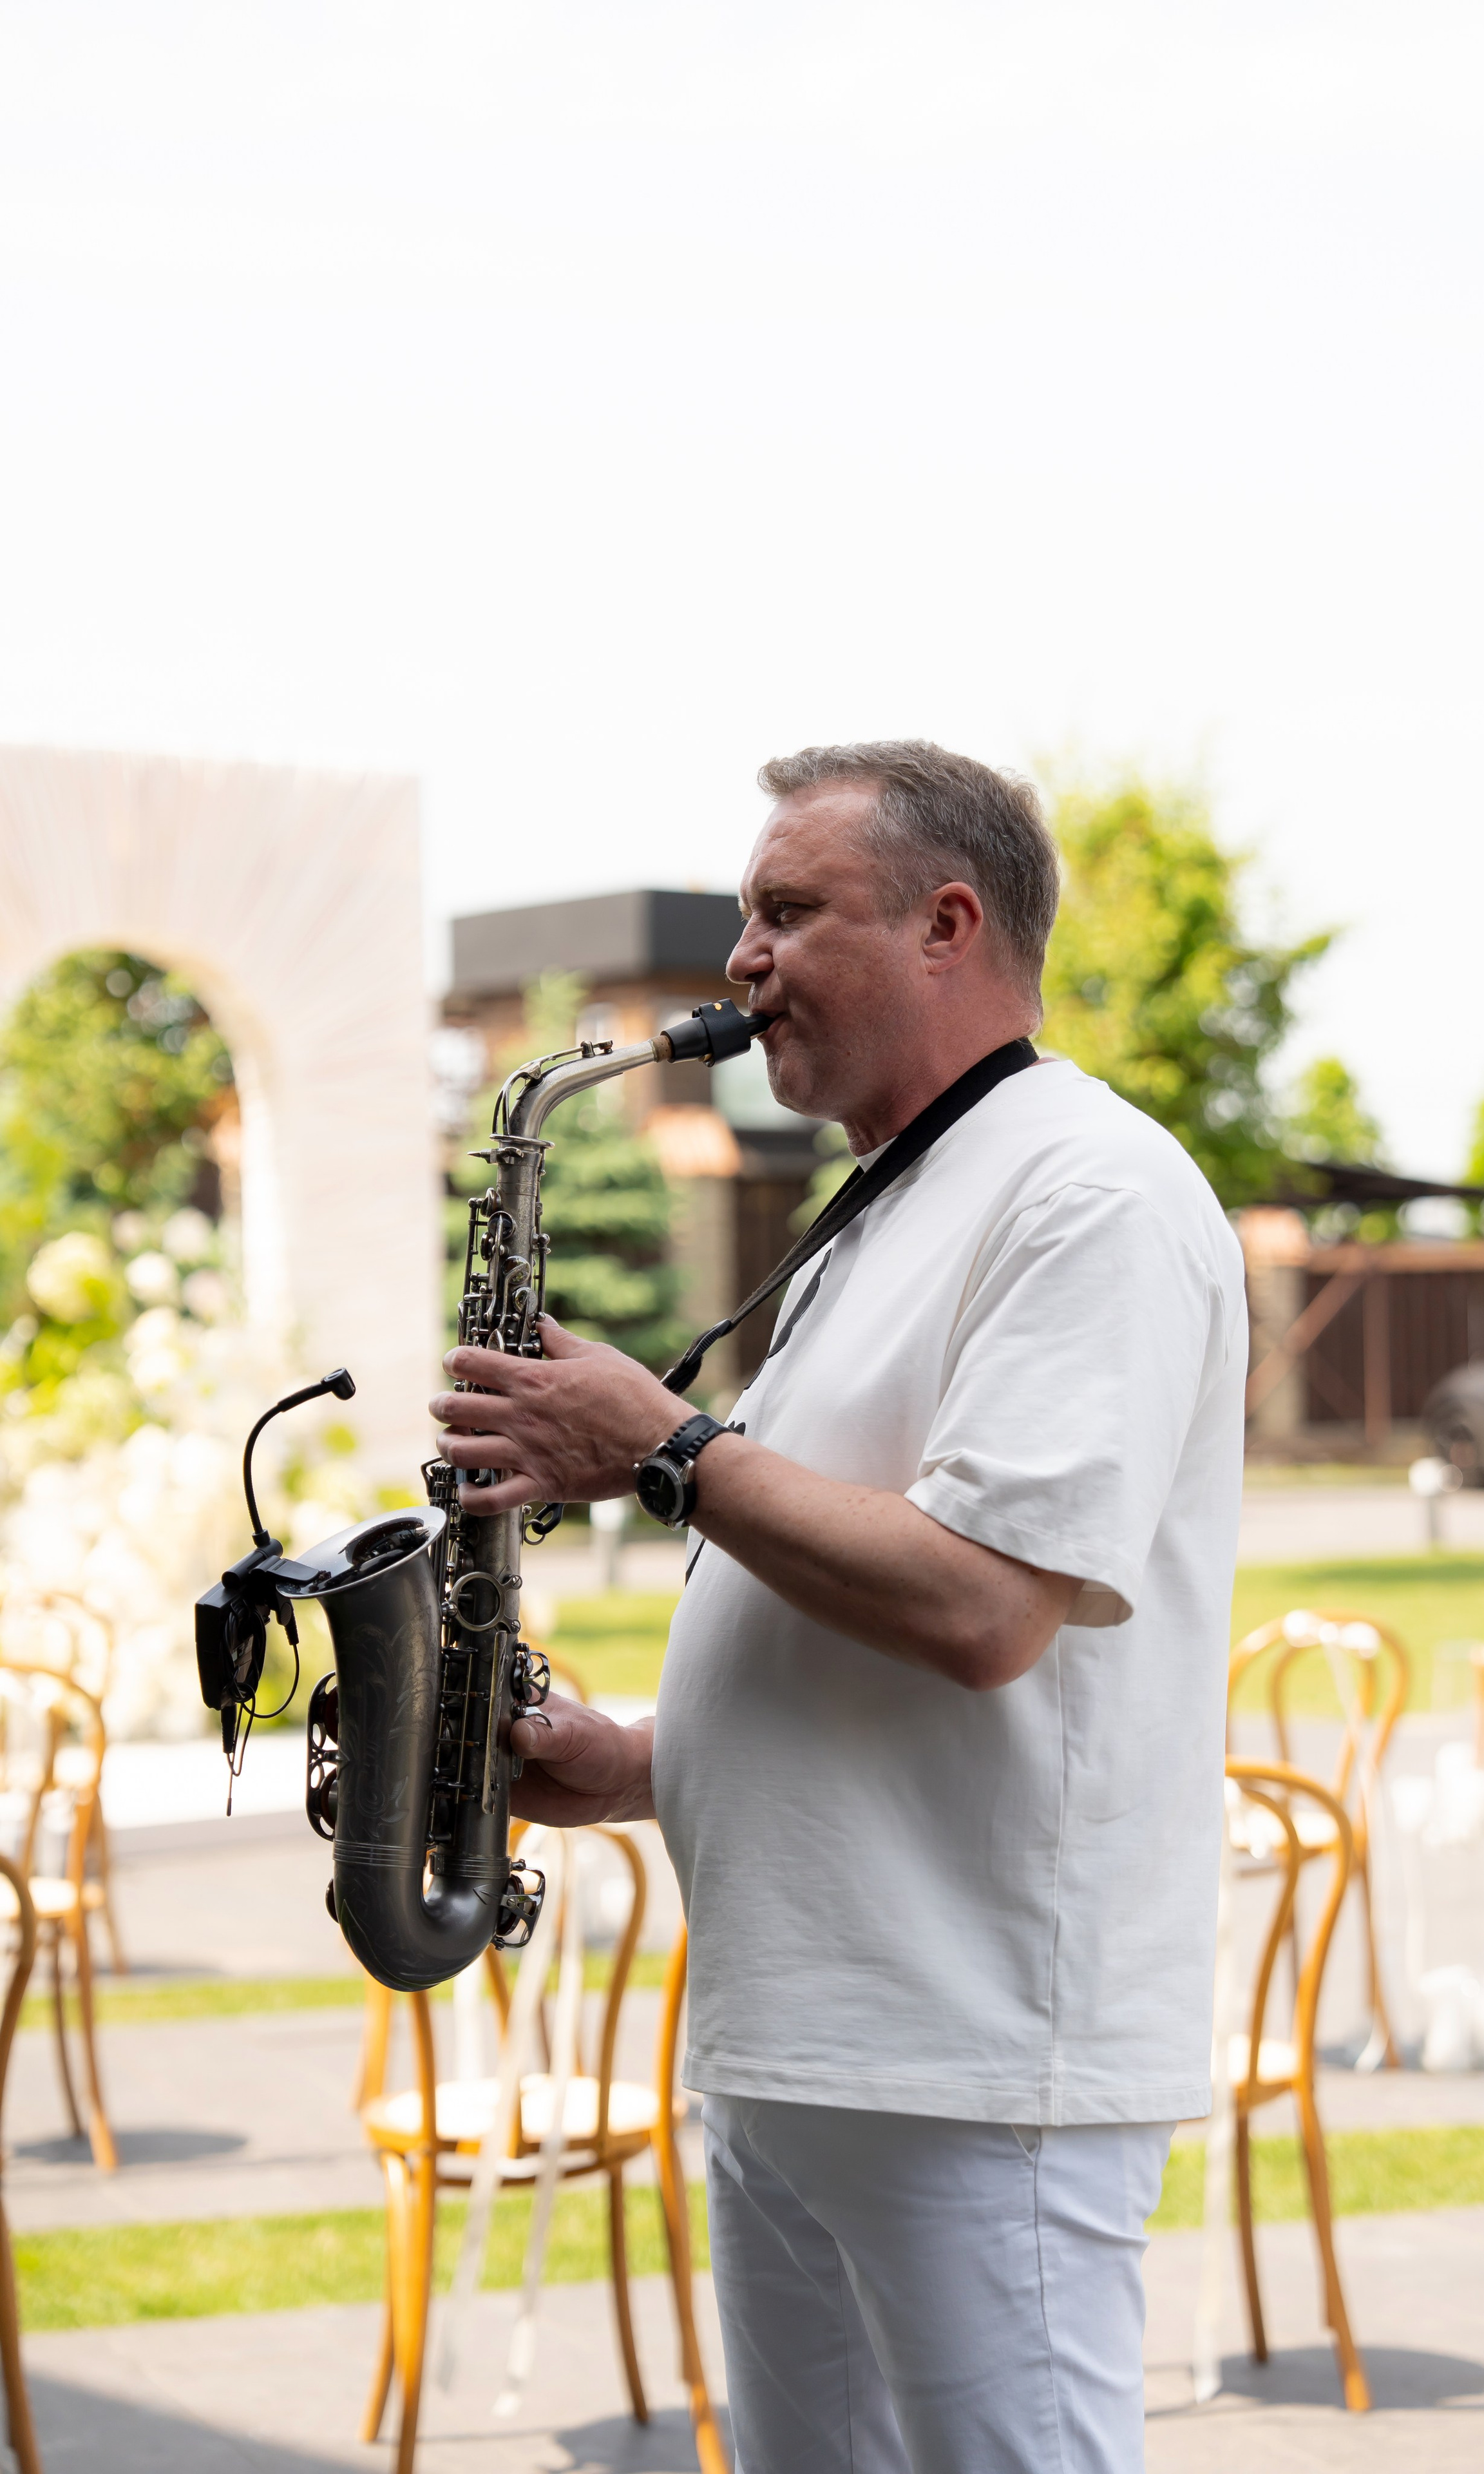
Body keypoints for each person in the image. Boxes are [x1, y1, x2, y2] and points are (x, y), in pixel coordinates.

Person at [430, 741, 1246, 2474]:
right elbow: (853, 1612)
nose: (742, 959)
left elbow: (985, 1607)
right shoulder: (893, 1202)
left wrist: (662, 1450)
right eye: (747, 916)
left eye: (788, 911)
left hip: (971, 2059)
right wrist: (640, 1760)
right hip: (808, 2045)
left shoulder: (1087, 1189)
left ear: (949, 925)